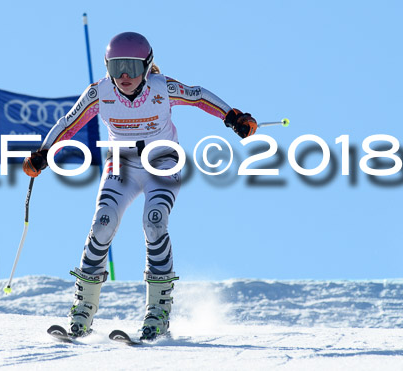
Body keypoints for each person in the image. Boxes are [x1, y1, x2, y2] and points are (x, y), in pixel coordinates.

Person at [22, 32, 257, 340]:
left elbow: (198, 95)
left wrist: (233, 117)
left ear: (146, 67)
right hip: (122, 166)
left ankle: (158, 313)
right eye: (117, 67)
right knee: (103, 223)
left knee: (154, 222)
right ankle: (82, 311)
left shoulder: (162, 88)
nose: (124, 76)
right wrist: (43, 153)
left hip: (162, 164)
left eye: (132, 68)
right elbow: (69, 122)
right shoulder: (100, 93)